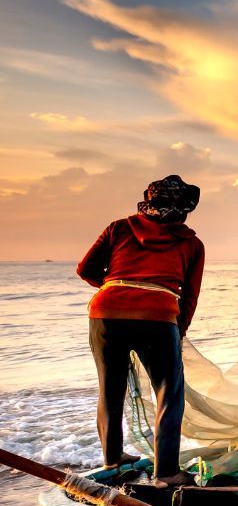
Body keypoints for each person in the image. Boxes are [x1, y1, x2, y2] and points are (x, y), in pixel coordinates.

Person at [77, 174, 205, 487]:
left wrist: (116, 287)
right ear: (184, 208)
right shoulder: (191, 243)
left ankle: (113, 457)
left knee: (110, 388)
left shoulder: (119, 227)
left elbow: (85, 269)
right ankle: (167, 473)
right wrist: (179, 331)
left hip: (106, 312)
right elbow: (189, 297)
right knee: (168, 393)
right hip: (158, 316)